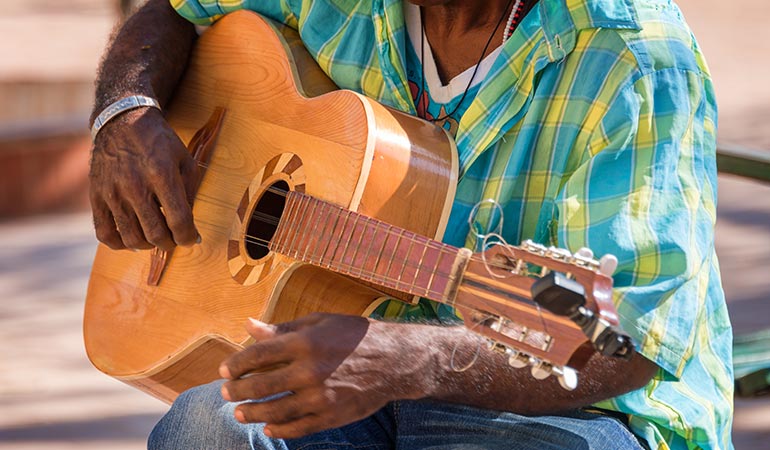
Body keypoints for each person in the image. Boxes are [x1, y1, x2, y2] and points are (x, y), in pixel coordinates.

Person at [88, 0, 733, 448]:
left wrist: (406, 360)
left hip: (564, 411)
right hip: (353, 384)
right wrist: (124, 111)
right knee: (209, 428)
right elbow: (175, 10)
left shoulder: (632, 59)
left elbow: (625, 342)